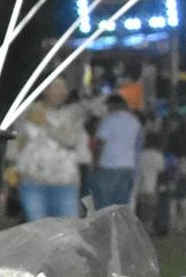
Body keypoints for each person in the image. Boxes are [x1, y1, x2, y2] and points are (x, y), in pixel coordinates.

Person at [9, 77, 87, 222]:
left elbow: (71, 140)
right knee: (38, 232)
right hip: (32, 181)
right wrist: (10, 171)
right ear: (44, 88)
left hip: (64, 182)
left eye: (64, 87)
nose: (62, 91)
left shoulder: (71, 113)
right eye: (56, 87)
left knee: (67, 233)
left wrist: (47, 122)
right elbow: (15, 142)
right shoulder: (26, 111)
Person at [89, 95, 142, 211]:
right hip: (128, 167)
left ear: (112, 105)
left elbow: (100, 143)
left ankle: (106, 229)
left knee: (104, 206)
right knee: (121, 207)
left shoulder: (109, 119)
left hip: (108, 166)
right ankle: (119, 229)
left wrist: (95, 162)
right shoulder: (134, 121)